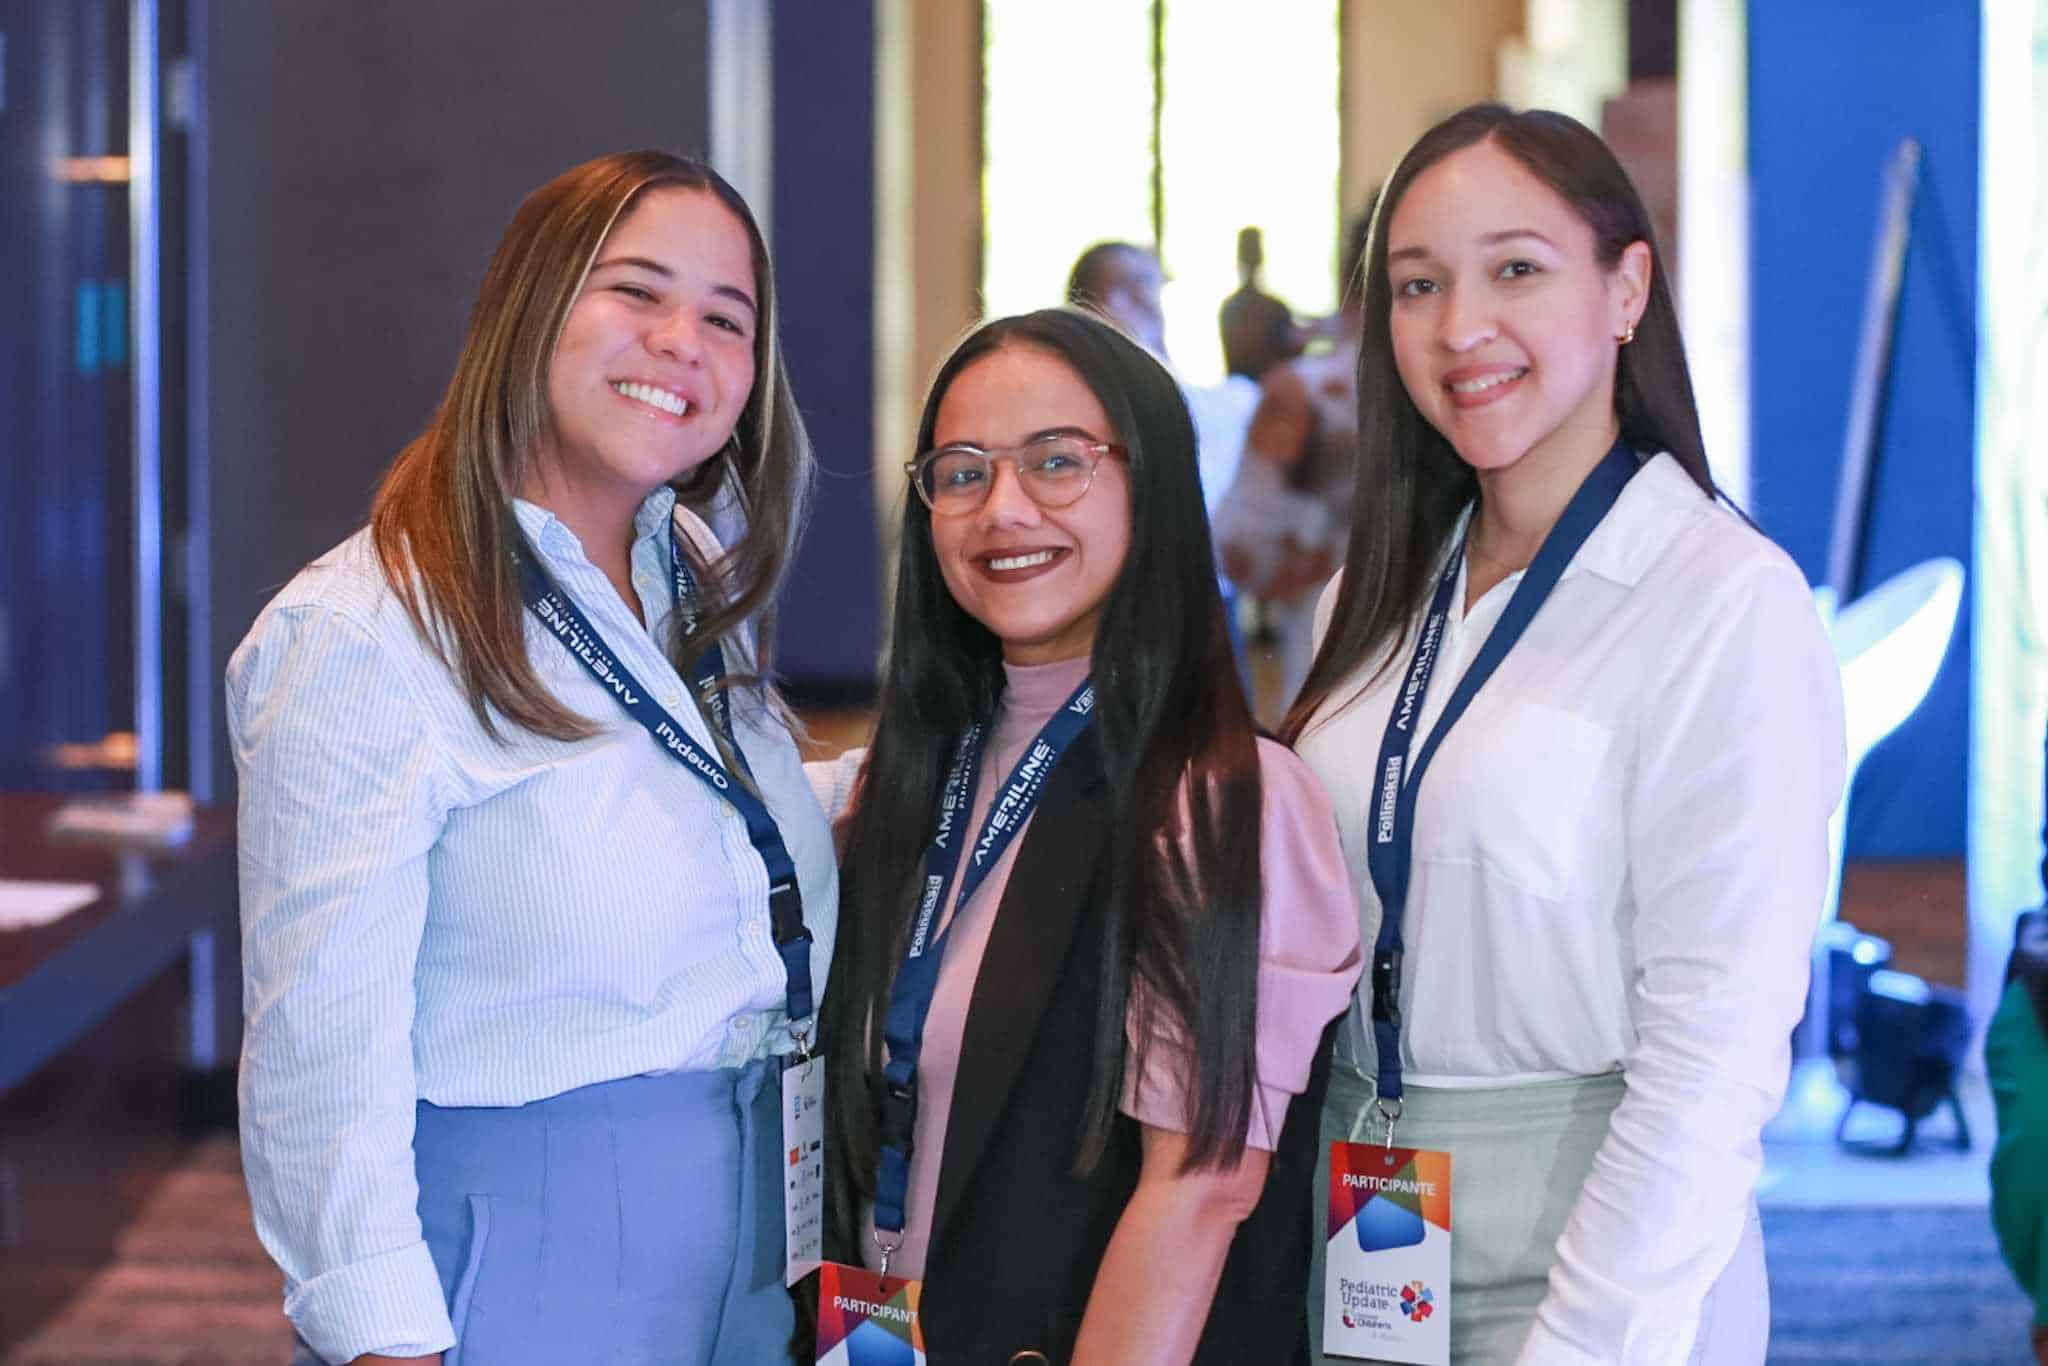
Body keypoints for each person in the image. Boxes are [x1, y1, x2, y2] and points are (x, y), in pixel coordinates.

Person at [228, 151, 837, 1365]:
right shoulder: (366, 630)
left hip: (755, 1234)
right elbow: (316, 1051)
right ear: (530, 309)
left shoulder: (689, 573)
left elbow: (693, 825)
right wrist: (382, 1337)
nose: (683, 342)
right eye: (637, 293)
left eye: (728, 318)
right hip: (532, 1259)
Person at [1283, 104, 1846, 1363]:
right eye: (1416, 284)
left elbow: (1712, 1049)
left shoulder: (1719, 599)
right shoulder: (1370, 595)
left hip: (1600, 1245)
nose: (1457, 327)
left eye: (1515, 270)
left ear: (1625, 286)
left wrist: (1587, 1340)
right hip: (1370, 1221)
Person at [815, 308, 1360, 1362]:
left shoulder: (1222, 800)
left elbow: (1197, 1188)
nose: (1001, 508)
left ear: (1148, 484)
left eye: (1056, 462)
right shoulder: (903, 783)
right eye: (961, 471)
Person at [1214, 208, 1372, 714]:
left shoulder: (1312, 387)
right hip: (1327, 686)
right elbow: (1239, 547)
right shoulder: (1307, 392)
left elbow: (1238, 545)